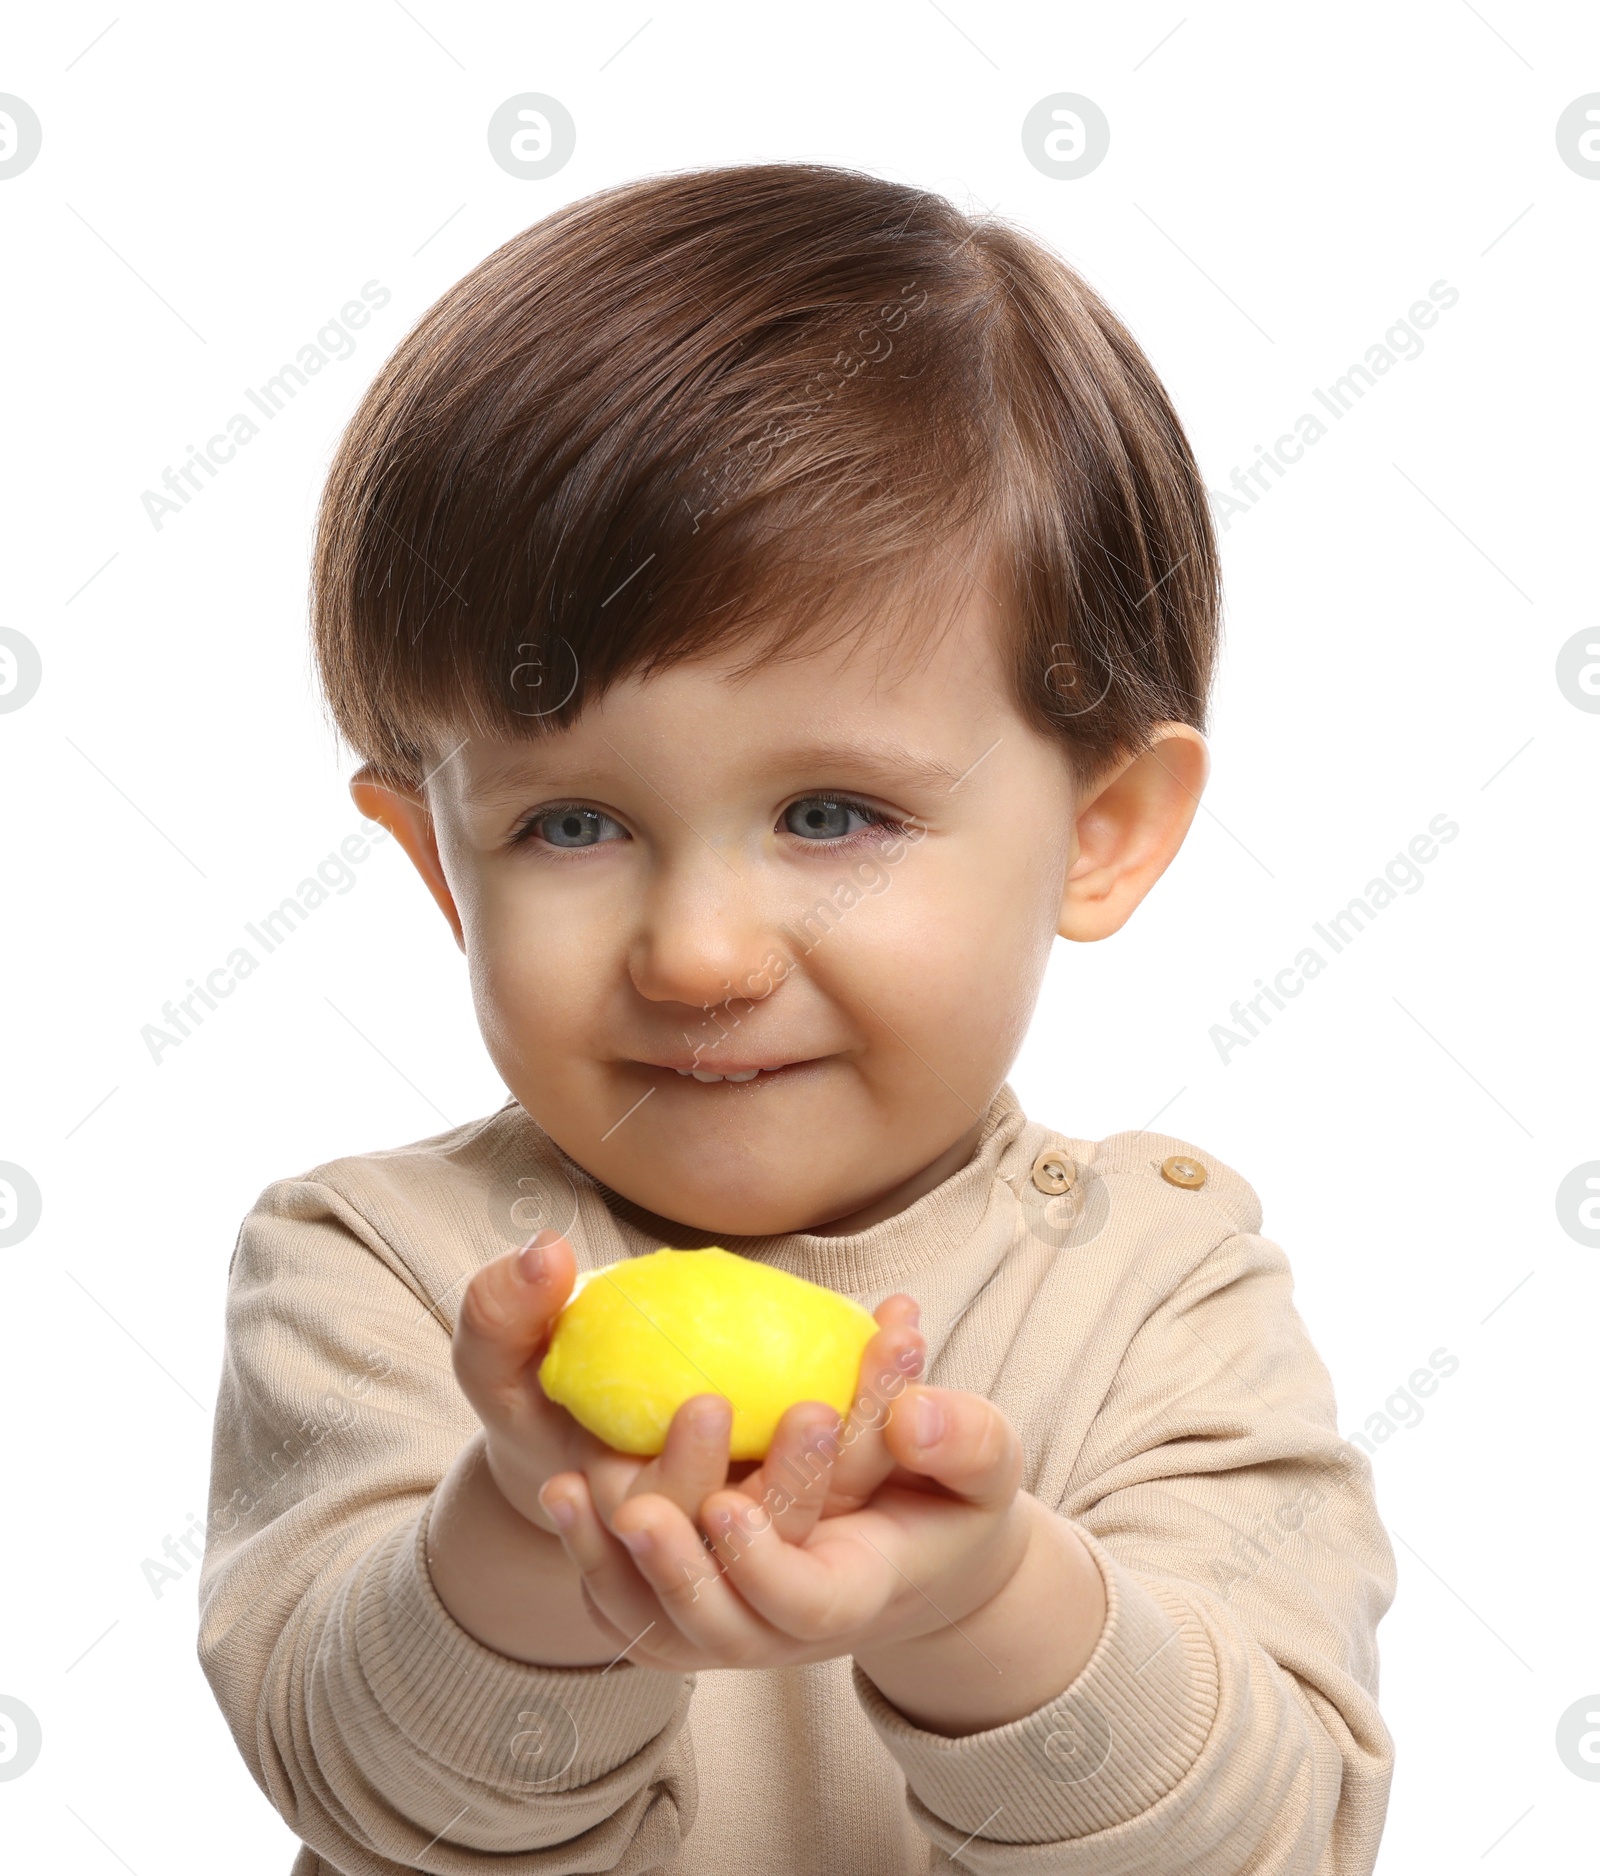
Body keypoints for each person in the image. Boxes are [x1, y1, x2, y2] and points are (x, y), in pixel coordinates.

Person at [198, 161, 1395, 1875]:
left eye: (831, 815)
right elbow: (374, 1794)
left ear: (1103, 830)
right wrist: (539, 1536)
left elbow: (1269, 1834)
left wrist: (985, 1596)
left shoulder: (1161, 1289)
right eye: (573, 824)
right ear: (439, 863)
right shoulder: (381, 1272)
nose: (697, 954)